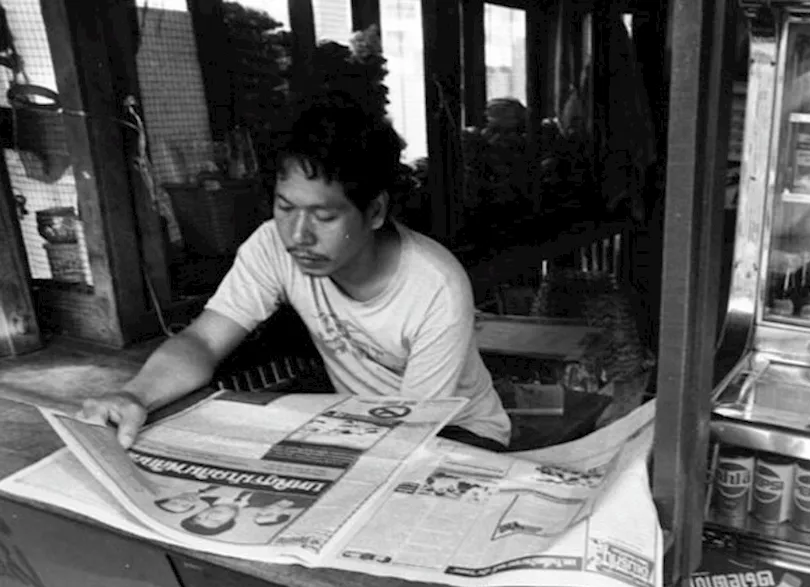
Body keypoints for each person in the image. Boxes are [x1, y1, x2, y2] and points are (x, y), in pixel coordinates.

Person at [79, 94, 510, 450]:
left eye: (323, 216)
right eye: (285, 208)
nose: (298, 235)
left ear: (375, 210)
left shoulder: (435, 286)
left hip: (457, 433)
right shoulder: (273, 244)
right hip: (366, 427)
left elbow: (414, 429)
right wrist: (134, 394)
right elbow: (204, 340)